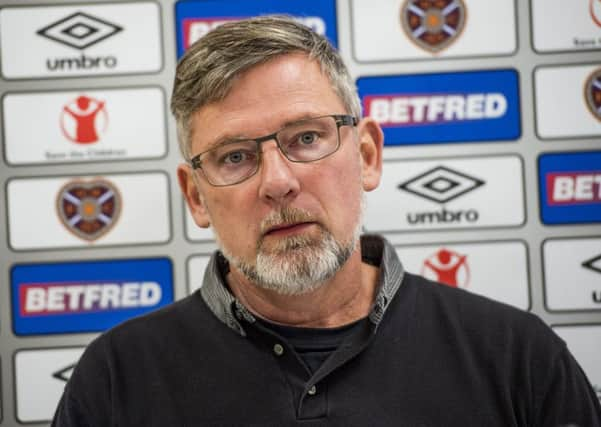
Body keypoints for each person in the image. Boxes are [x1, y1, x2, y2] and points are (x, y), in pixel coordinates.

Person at [52, 16, 601, 426]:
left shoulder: (516, 358)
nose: (277, 181)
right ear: (196, 195)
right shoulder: (115, 379)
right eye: (235, 156)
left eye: (307, 138)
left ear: (366, 155)